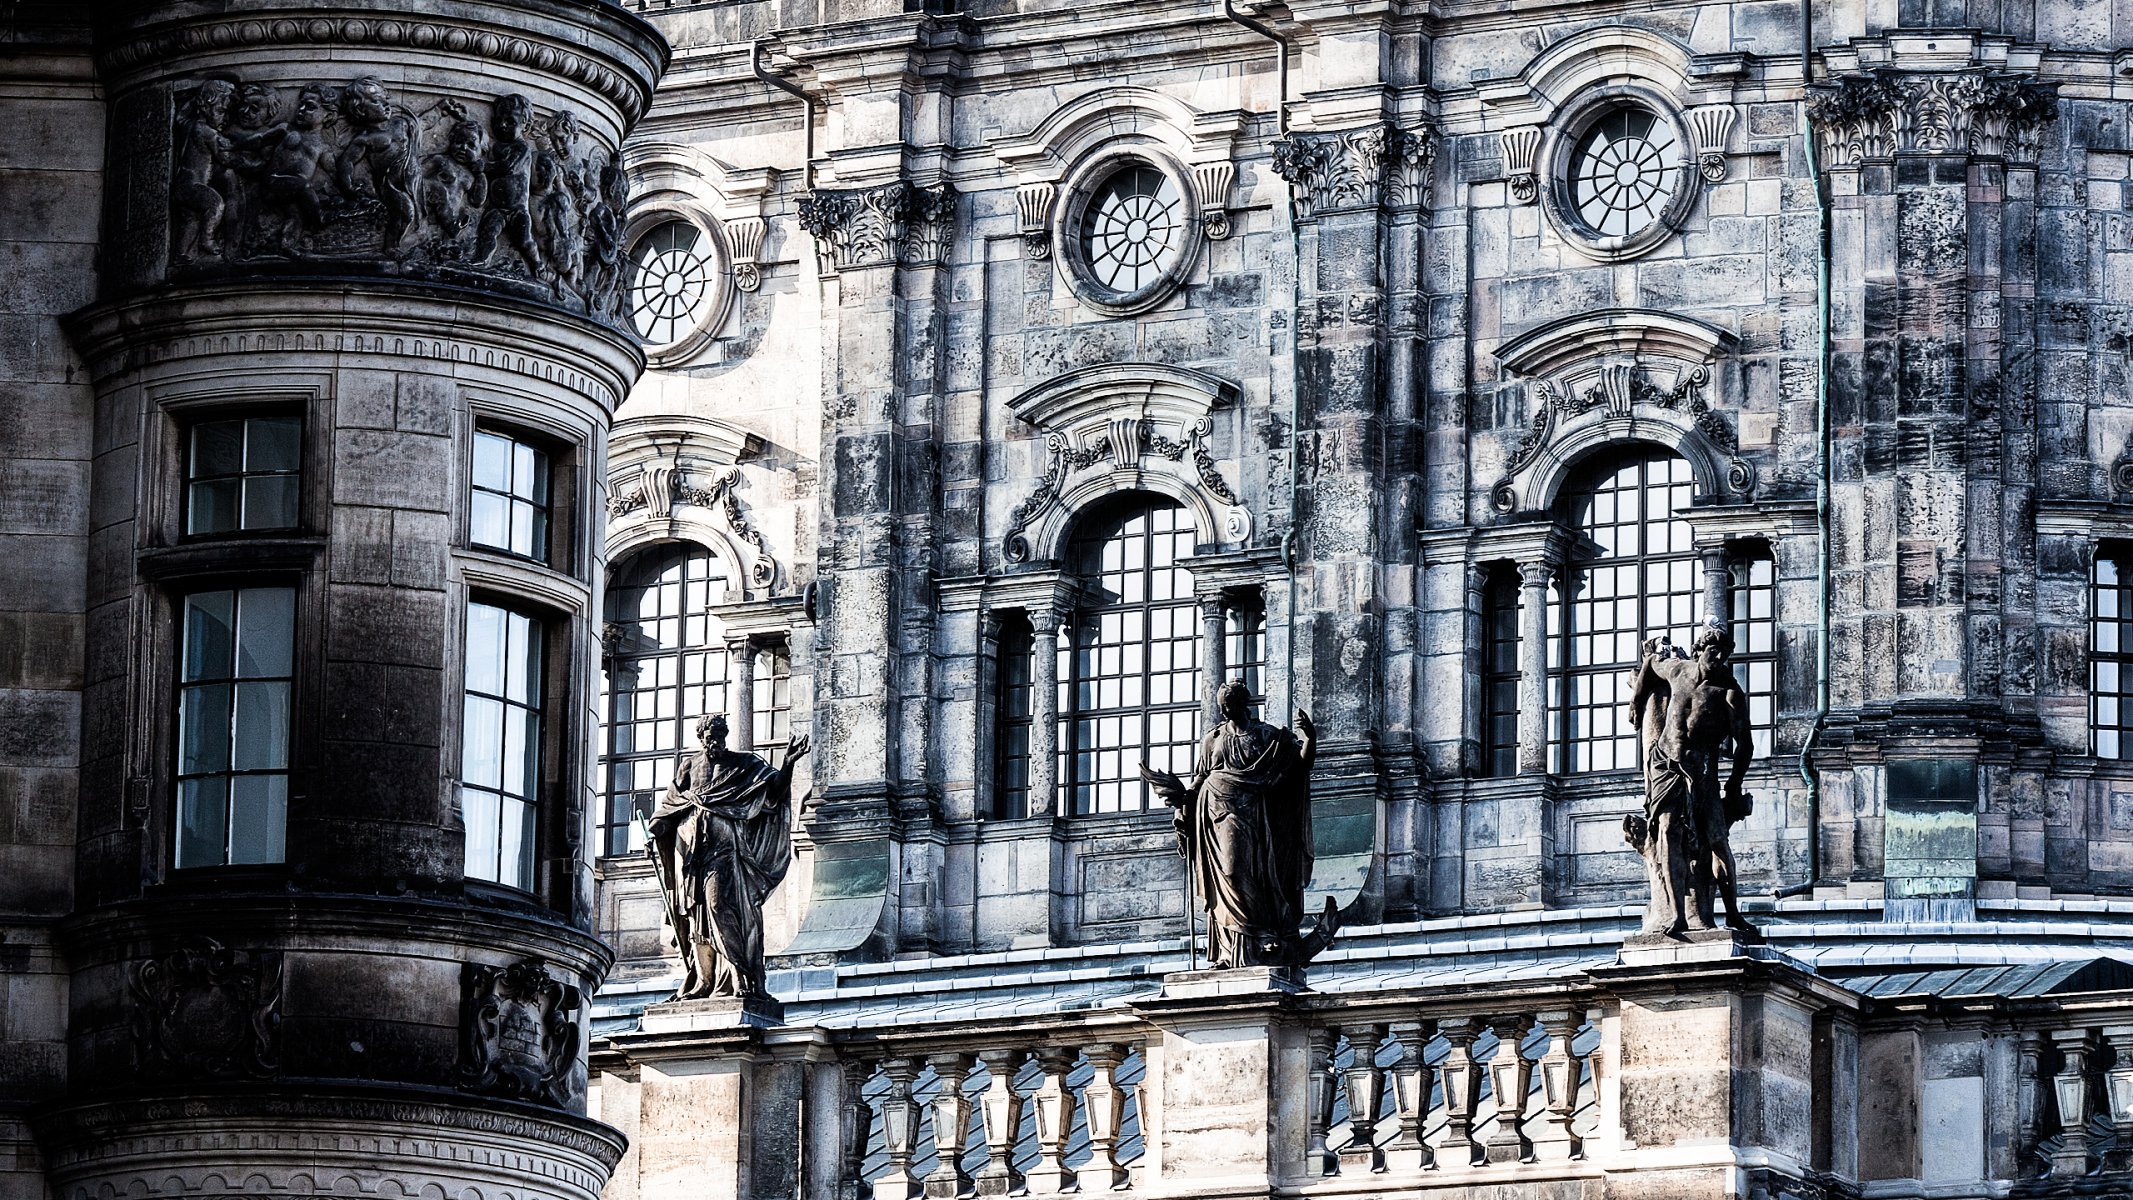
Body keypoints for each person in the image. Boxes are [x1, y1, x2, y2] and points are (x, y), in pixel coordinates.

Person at [1142, 680, 1337, 969]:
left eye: (1229, 706)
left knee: (1242, 872)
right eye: (1222, 707)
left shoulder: (1265, 736)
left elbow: (1298, 767)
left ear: (1242, 705)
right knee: (1224, 879)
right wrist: (1182, 802)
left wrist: (1310, 738)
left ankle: (1262, 935)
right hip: (1213, 816)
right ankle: (1229, 950)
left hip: (1253, 817)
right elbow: (1199, 780)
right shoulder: (1213, 739)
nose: (1225, 712)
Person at [647, 715, 809, 1001]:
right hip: (690, 854)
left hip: (725, 852)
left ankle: (739, 973)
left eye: (721, 737)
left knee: (718, 904)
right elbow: (670, 805)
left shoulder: (743, 763)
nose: (716, 743)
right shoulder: (689, 765)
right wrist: (656, 831)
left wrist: (788, 764)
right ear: (702, 738)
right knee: (695, 916)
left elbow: (773, 792)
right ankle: (704, 980)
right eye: (711, 737)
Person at [1624, 623, 1755, 938]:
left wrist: (1734, 785)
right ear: (1699, 650)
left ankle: (1733, 915)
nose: (1719, 657)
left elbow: (1745, 745)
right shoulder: (1678, 670)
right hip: (1665, 765)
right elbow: (1651, 663)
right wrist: (1637, 701)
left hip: (1702, 771)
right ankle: (1678, 916)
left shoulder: (1730, 693)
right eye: (1713, 650)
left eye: (1724, 653)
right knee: (1668, 835)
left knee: (1717, 841)